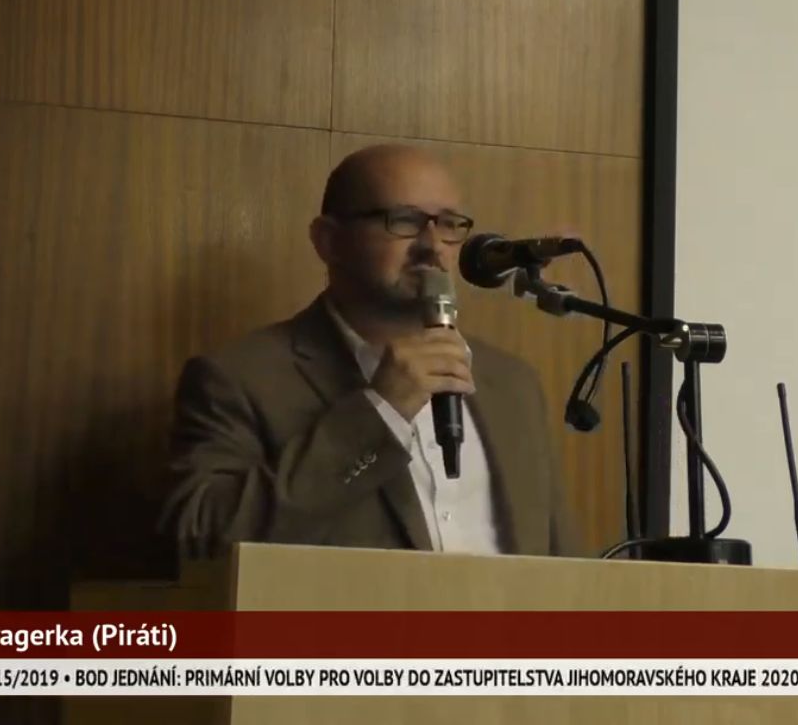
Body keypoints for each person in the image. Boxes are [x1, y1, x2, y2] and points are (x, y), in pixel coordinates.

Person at [162, 144, 581, 559]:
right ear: (328, 240)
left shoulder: (512, 383)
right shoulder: (239, 379)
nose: (433, 245)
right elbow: (200, 539)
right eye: (404, 221)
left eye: (450, 224)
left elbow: (563, 562)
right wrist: (379, 413)